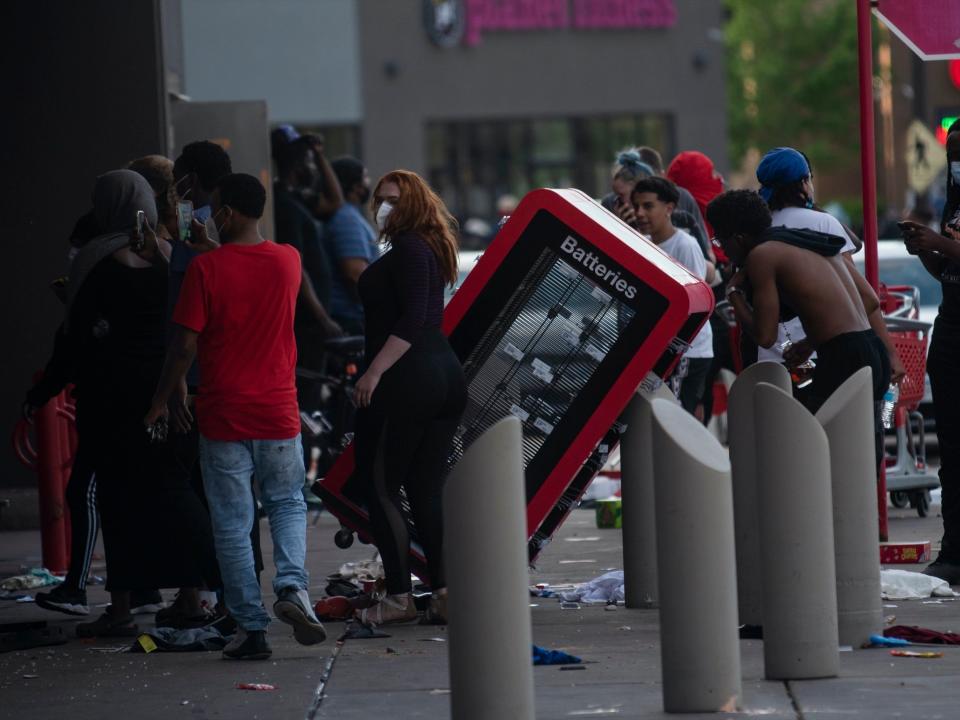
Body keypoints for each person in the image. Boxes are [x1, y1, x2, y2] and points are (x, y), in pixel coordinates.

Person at [146, 173, 326, 660]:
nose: (210, 216)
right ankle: (292, 588)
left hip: (224, 412)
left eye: (216, 208)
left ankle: (253, 630)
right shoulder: (288, 260)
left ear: (230, 213)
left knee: (231, 522)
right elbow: (246, 272)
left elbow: (183, 346)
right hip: (278, 409)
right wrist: (211, 250)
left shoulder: (206, 272)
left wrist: (161, 400)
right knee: (288, 503)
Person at [63, 170, 216, 638]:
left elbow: (76, 330)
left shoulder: (94, 258)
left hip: (111, 396)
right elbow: (187, 329)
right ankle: (191, 597)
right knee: (174, 490)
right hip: (173, 390)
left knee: (118, 498)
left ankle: (122, 607)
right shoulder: (175, 258)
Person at [352, 170, 467, 625]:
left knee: (379, 485)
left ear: (414, 203)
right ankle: (441, 594)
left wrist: (373, 373)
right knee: (424, 489)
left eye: (394, 200)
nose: (384, 207)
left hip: (408, 378)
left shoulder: (410, 249)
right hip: (441, 376)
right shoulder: (427, 247)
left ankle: (400, 596)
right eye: (381, 199)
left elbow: (412, 319)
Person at [707, 189, 891, 463]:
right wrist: (809, 343)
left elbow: (765, 336)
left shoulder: (762, 256)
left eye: (721, 243)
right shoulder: (805, 240)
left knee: (812, 453)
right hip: (871, 350)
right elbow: (870, 300)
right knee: (860, 461)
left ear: (738, 238)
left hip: (843, 358)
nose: (723, 252)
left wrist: (733, 295)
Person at [755, 147, 905, 389]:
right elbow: (863, 299)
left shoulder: (759, 229)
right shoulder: (823, 223)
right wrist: (891, 353)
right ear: (804, 182)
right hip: (824, 351)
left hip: (775, 361)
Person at [902, 118, 960, 584]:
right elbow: (949, 272)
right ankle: (954, 551)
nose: (956, 162)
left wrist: (942, 244)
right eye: (952, 154)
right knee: (953, 452)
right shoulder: (953, 203)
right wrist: (927, 251)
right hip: (951, 328)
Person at [630, 177, 715, 416]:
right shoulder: (642, 244)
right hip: (659, 350)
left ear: (669, 208)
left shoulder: (686, 245)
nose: (640, 213)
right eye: (637, 206)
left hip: (687, 351)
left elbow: (696, 305)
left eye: (648, 206)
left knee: (674, 419)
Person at [274, 137, 343, 370]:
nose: (314, 169)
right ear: (297, 165)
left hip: (314, 315)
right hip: (307, 317)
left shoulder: (298, 198)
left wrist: (320, 156)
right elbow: (297, 265)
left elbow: (335, 201)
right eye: (311, 162)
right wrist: (322, 317)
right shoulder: (285, 205)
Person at [326, 157, 380, 334]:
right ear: (355, 186)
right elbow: (355, 273)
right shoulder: (346, 218)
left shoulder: (349, 215)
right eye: (365, 178)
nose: (368, 184)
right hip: (350, 320)